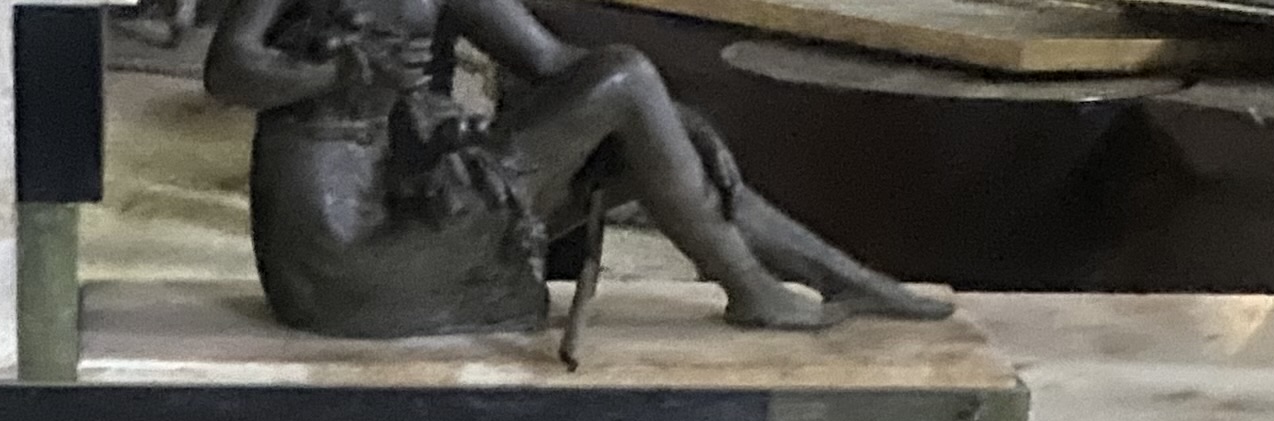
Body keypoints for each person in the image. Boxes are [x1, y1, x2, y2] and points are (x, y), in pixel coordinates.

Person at [206, 0, 949, 338]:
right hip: (340, 255)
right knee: (624, 78)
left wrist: (673, 118)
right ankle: (755, 289)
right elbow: (228, 71)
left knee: (637, 117)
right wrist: (336, 72)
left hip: (400, 217)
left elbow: (554, 64)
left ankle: (834, 276)